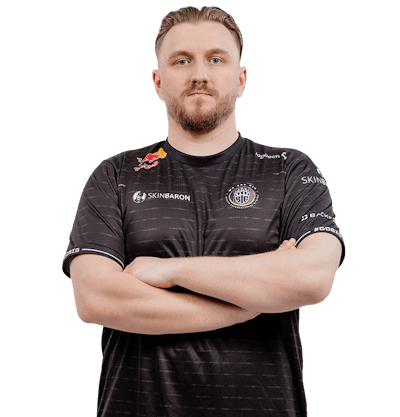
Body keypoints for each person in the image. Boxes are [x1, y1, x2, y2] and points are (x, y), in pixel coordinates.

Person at [62, 6, 345, 417]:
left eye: (216, 59)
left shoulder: (288, 169)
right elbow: (95, 298)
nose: (199, 74)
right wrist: (248, 304)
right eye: (181, 61)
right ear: (158, 82)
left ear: (241, 79)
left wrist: (168, 270)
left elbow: (312, 277)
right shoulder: (116, 175)